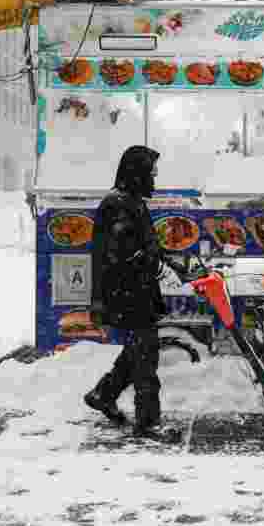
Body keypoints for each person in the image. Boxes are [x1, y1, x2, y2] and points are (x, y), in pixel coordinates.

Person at [84, 145, 169, 437]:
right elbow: (123, 254)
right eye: (151, 173)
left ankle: (103, 394)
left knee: (138, 351)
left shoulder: (130, 201)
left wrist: (160, 257)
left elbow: (142, 246)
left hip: (135, 291)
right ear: (137, 174)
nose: (154, 178)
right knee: (145, 356)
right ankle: (148, 422)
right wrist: (152, 259)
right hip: (128, 293)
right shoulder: (119, 205)